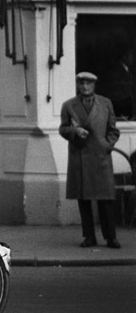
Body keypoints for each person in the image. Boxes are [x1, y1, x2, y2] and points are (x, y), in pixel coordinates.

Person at [59, 71, 121, 249]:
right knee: (84, 201)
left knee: (106, 200)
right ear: (78, 85)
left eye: (88, 83)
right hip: (80, 158)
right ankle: (89, 237)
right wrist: (74, 132)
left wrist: (106, 145)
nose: (84, 87)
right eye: (81, 83)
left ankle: (111, 237)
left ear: (94, 85)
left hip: (101, 157)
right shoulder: (69, 105)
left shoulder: (105, 103)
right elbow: (63, 129)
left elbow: (113, 130)